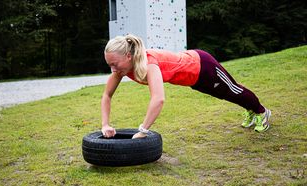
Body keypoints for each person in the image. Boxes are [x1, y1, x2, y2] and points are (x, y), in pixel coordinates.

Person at [101, 34, 271, 139]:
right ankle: (251, 109)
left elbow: (158, 99)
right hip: (193, 79)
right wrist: (105, 125)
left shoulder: (149, 63)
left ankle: (261, 112)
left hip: (203, 66)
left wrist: (143, 130)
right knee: (225, 94)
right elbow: (107, 95)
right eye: (110, 65)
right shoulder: (121, 69)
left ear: (129, 56)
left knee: (232, 90)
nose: (112, 69)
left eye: (114, 64)